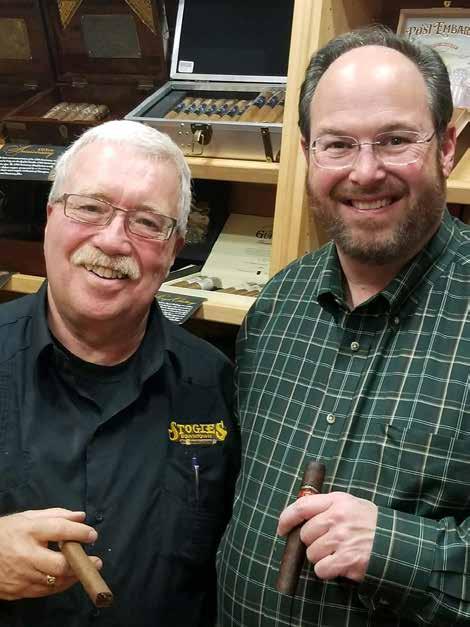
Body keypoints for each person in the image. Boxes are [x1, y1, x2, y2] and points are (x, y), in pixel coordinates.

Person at [217, 25, 470, 626]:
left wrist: (398, 551)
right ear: (308, 153)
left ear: (447, 147)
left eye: (395, 140)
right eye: (337, 145)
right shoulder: (278, 303)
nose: (365, 171)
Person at [0, 120, 240, 627]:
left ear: (173, 249)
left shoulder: (214, 384)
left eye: (148, 223)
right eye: (90, 207)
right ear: (50, 216)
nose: (112, 241)